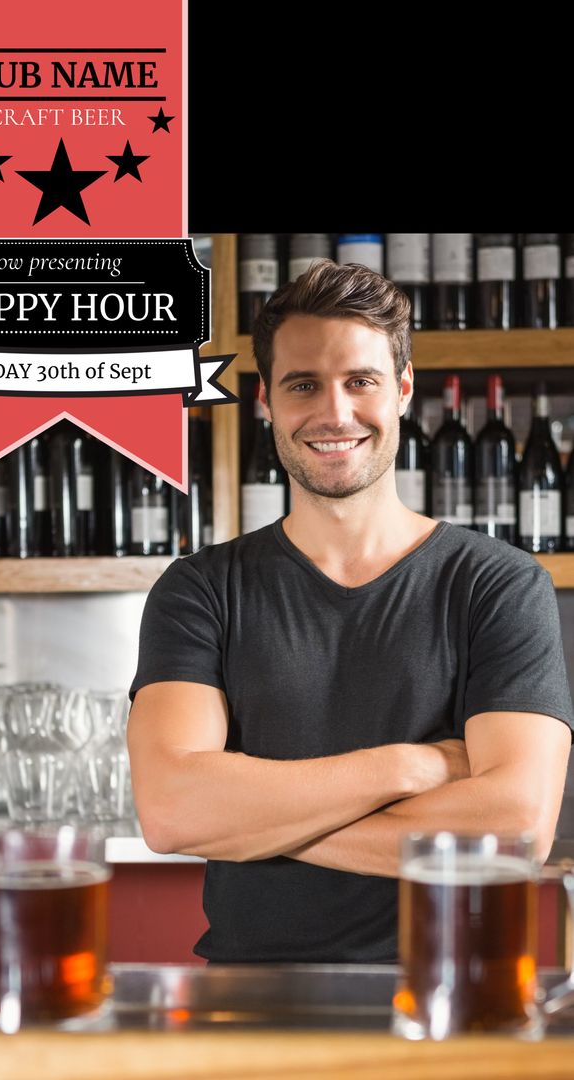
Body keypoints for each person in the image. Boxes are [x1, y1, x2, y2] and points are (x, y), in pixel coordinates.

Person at [127, 259, 574, 964]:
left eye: (359, 381)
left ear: (399, 391)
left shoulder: (497, 584)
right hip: (250, 1008)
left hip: (456, 1003)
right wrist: (413, 765)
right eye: (303, 384)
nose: (334, 413)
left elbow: (516, 828)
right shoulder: (199, 589)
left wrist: (256, 822)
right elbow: (172, 810)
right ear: (265, 402)